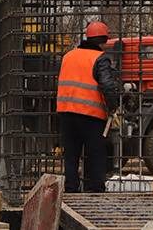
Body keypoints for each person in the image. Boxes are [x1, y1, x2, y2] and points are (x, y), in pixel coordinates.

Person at [56, 21, 121, 193]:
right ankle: (96, 190)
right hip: (90, 115)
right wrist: (113, 107)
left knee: (71, 156)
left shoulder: (68, 56)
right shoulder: (100, 58)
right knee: (96, 154)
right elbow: (107, 85)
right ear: (104, 40)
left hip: (66, 113)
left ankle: (71, 190)